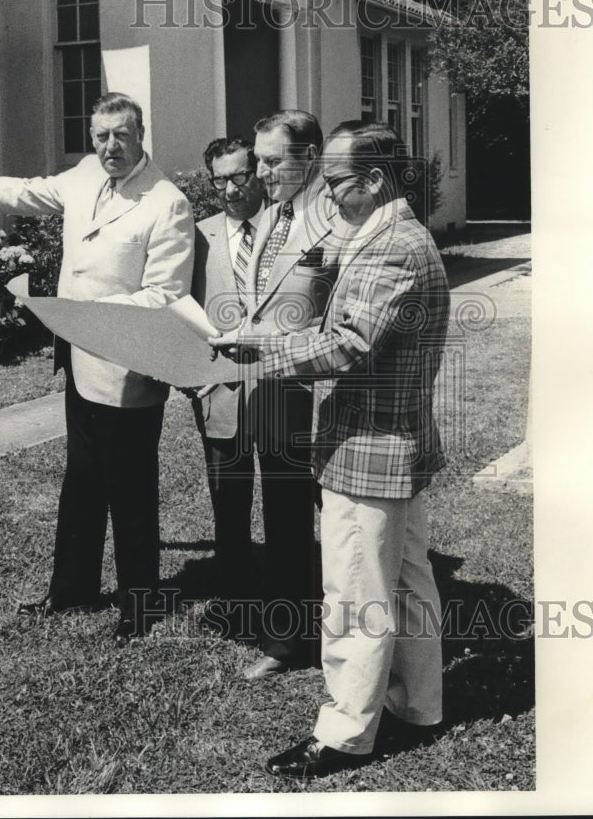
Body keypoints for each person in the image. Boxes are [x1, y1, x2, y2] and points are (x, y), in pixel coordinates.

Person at [0, 92, 194, 640]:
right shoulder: (82, 176)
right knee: (81, 483)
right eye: (100, 136)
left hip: (128, 368)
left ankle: (141, 607)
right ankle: (71, 591)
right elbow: (19, 192)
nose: (109, 147)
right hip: (79, 364)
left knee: (130, 491)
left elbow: (165, 296)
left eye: (121, 135)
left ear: (141, 134)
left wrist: (78, 314)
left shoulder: (166, 202)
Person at [211, 120, 450, 776]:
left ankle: (344, 735)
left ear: (372, 181)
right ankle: (418, 707)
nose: (328, 193)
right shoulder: (382, 233)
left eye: (337, 182)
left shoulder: (393, 246)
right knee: (404, 583)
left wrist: (262, 347)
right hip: (389, 444)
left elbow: (346, 343)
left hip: (369, 449)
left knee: (353, 594)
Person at [235, 110, 338, 679]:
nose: (263, 172)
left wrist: (271, 341)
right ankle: (285, 639)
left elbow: (346, 322)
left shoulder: (338, 223)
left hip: (321, 398)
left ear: (311, 156)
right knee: (284, 518)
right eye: (260, 161)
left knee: (345, 525)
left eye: (274, 161)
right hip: (273, 397)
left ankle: (361, 639)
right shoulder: (271, 217)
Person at [187, 138, 266, 624]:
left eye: (240, 177)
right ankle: (236, 597)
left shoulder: (288, 228)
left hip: (282, 387)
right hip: (220, 391)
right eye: (220, 180)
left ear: (256, 172)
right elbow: (180, 309)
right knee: (229, 501)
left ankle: (294, 589)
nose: (232, 189)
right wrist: (192, 377)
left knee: (293, 496)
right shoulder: (197, 236)